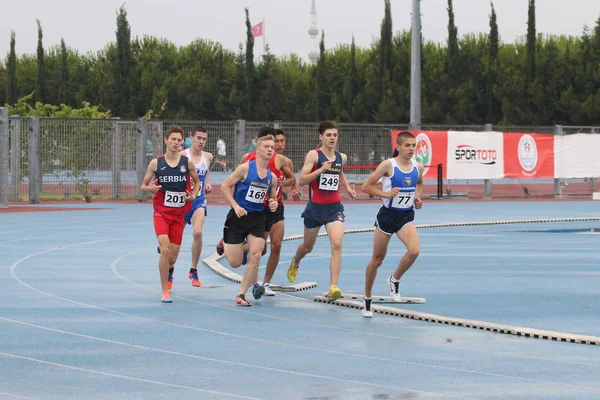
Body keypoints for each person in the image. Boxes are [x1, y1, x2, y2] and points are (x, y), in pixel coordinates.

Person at [287, 120, 356, 302]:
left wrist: (347, 187)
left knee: (337, 243)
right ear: (321, 136)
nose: (332, 138)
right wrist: (320, 170)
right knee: (307, 247)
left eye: (334, 135)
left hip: (334, 208)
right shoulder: (314, 155)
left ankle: (333, 286)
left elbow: (339, 172)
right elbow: (301, 180)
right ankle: (296, 261)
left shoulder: (342, 157)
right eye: (328, 135)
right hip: (315, 208)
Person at [360, 131, 424, 318]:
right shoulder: (388, 165)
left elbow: (419, 183)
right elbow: (366, 186)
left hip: (405, 217)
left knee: (414, 251)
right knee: (377, 260)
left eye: (414, 145)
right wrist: (386, 195)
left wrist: (417, 197)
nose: (411, 149)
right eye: (408, 145)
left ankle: (394, 280)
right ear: (398, 147)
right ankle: (367, 299)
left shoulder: (417, 167)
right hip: (387, 217)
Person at [141, 125, 201, 303]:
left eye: (179, 140)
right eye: (173, 139)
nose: (176, 142)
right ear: (165, 141)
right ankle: (164, 290)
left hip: (178, 215)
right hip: (161, 213)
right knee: (165, 250)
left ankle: (167, 261)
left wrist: (194, 195)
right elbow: (143, 185)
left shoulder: (187, 163)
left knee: (172, 259)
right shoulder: (156, 163)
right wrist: (150, 188)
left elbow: (197, 182)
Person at [236, 127, 297, 296]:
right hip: (256, 208)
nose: (273, 146)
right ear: (258, 143)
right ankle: (238, 247)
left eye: (277, 142)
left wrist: (280, 185)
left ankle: (266, 283)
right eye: (269, 143)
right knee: (260, 249)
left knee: (276, 244)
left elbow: (292, 179)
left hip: (274, 206)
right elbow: (237, 180)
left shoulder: (281, 160)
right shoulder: (247, 159)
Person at [220, 135, 279, 306]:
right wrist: (235, 206)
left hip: (257, 218)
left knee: (257, 253)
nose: (270, 149)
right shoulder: (245, 169)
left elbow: (272, 199)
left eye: (272, 147)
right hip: (238, 217)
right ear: (257, 149)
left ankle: (241, 294)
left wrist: (273, 204)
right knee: (235, 262)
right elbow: (224, 186)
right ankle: (227, 243)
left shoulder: (272, 177)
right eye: (266, 146)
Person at [180, 126, 213, 288]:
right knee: (174, 239)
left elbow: (206, 172)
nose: (201, 142)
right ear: (190, 138)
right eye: (198, 138)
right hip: (181, 202)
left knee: (197, 233)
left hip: (198, 200)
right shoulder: (182, 156)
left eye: (204, 139)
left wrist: (207, 183)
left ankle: (193, 269)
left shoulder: (208, 157)